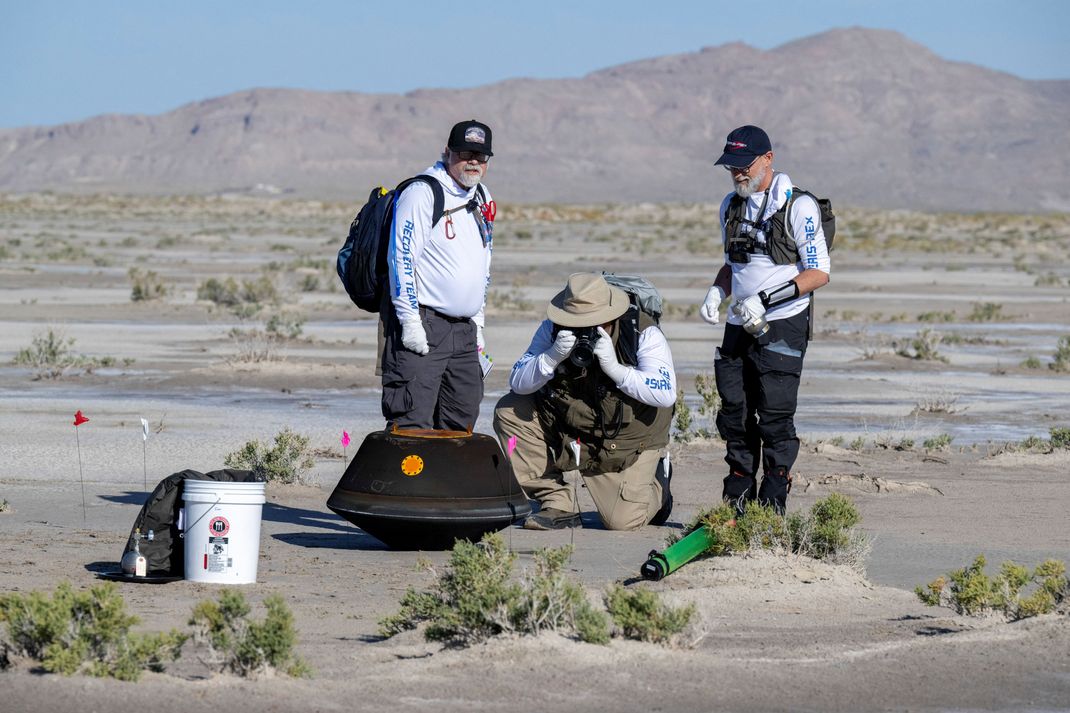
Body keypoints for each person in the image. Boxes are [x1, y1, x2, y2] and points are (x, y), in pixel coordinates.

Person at [699, 125, 831, 515]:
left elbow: (818, 272)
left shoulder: (798, 207)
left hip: (783, 324)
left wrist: (766, 299)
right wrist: (717, 292)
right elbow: (732, 265)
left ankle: (772, 504)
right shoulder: (730, 205)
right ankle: (737, 499)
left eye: (744, 165)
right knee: (734, 413)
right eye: (731, 167)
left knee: (774, 415)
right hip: (740, 323)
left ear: (768, 159)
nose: (738, 173)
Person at [494, 273, 676, 530]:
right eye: (575, 323)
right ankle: (555, 501)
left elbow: (666, 392)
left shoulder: (642, 333)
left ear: (612, 316)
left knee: (622, 522)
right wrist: (550, 357)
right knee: (510, 410)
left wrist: (616, 370)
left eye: (594, 323)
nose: (583, 331)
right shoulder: (552, 329)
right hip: (573, 426)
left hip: (627, 439)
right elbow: (518, 382)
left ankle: (659, 482)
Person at [381, 119, 495, 430]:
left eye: (481, 156)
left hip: (465, 332)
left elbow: (483, 262)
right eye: (464, 153)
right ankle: (406, 480)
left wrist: (478, 324)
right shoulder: (423, 192)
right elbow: (401, 259)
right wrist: (410, 323)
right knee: (412, 421)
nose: (472, 161)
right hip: (425, 322)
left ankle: (448, 481)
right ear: (447, 152)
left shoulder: (481, 195)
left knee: (462, 419)